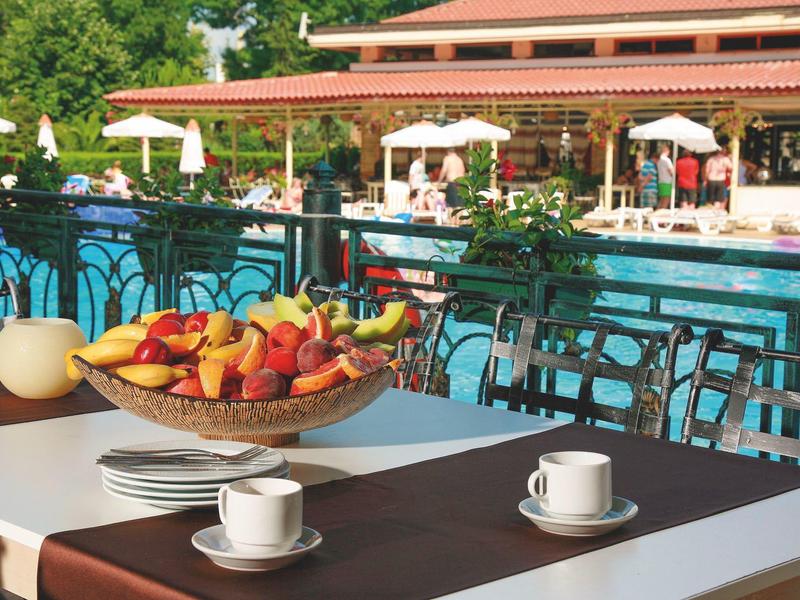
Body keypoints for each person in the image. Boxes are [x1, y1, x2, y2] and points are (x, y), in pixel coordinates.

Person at [657, 145, 673, 209]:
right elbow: (671, 171)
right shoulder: (667, 160)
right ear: (667, 151)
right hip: (667, 182)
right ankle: (661, 215)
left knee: (661, 200)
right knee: (666, 200)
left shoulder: (659, 160)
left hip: (661, 181)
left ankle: (657, 214)